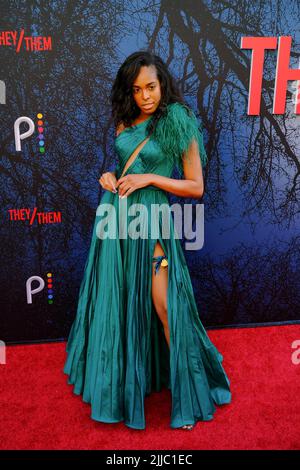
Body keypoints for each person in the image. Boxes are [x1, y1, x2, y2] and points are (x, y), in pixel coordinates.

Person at [63, 50, 231, 431]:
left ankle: (189, 395)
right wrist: (110, 177)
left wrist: (151, 179)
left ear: (163, 84)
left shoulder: (179, 122)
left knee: (166, 307)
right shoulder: (125, 122)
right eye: (137, 89)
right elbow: (124, 169)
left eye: (151, 87)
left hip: (151, 224)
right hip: (116, 222)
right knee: (119, 304)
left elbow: (195, 186)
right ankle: (120, 388)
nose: (145, 97)